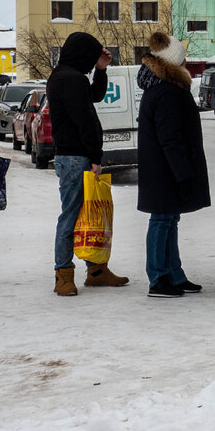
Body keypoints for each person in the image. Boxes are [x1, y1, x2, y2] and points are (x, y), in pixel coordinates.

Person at [47, 32, 129, 296]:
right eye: (92, 55)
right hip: (75, 157)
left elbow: (94, 96)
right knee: (72, 215)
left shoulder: (68, 76)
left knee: (88, 215)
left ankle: (96, 271)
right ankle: (64, 274)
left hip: (73, 155)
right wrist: (95, 156)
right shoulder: (70, 79)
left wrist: (100, 70)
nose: (94, 59)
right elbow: (85, 121)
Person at [136, 32, 211, 298]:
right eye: (183, 59)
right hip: (164, 169)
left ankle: (174, 275)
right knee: (162, 220)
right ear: (172, 63)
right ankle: (158, 278)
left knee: (169, 220)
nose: (186, 62)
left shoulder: (164, 87)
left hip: (164, 168)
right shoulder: (166, 91)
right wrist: (182, 173)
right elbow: (170, 138)